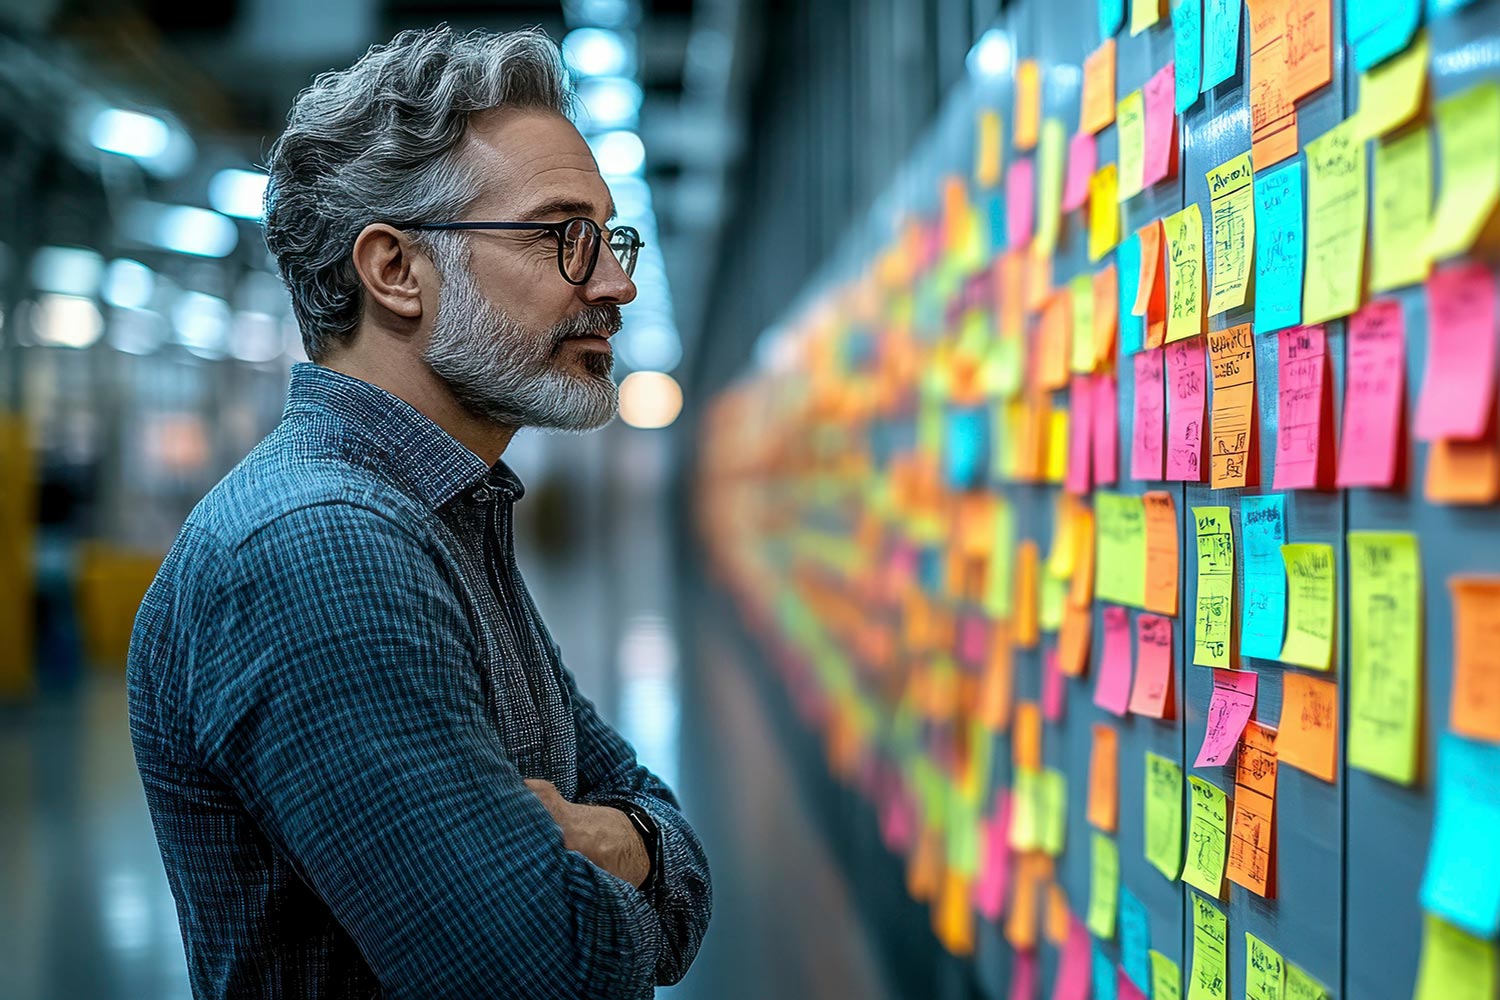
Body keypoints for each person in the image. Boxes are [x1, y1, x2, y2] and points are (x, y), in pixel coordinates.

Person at [127, 25, 711, 999]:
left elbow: (666, 836)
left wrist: (628, 837)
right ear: (396, 270)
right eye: (561, 234)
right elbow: (543, 975)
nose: (616, 283)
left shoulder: (442, 514)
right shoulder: (322, 548)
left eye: (609, 238)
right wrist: (632, 857)